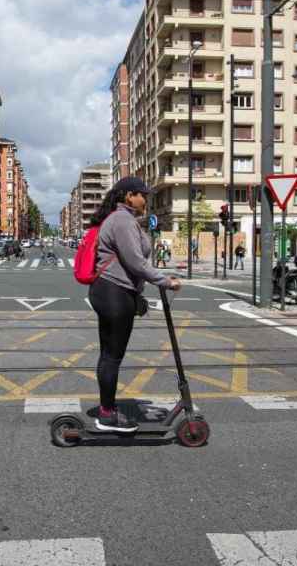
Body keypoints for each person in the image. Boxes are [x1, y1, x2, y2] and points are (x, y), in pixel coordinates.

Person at [89, 177, 181, 433]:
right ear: (129, 195)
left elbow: (132, 263)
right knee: (112, 356)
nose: (146, 200)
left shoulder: (124, 220)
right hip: (113, 293)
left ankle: (106, 409)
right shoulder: (122, 221)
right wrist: (165, 281)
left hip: (112, 291)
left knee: (108, 355)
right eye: (143, 195)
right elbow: (135, 262)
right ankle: (107, 415)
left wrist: (138, 294)